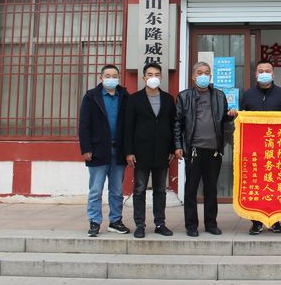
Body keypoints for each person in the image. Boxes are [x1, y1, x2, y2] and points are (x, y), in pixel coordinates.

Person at [174, 61, 233, 237]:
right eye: (199, 73)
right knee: (191, 189)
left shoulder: (219, 96)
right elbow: (177, 123)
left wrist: (230, 116)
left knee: (211, 189)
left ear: (210, 76)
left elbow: (223, 120)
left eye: (207, 73)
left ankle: (211, 224)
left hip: (214, 150)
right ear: (193, 76)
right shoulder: (184, 96)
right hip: (193, 149)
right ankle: (191, 225)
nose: (203, 76)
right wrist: (178, 145)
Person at [235, 59, 281, 235]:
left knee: (276, 183)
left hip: (276, 149)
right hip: (253, 149)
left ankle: (276, 221)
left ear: (273, 74)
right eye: (261, 71)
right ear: (256, 74)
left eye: (268, 71)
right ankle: (256, 222)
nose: (264, 73)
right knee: (255, 184)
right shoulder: (248, 95)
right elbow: (241, 118)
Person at [124, 62, 176, 239]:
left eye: (157, 74)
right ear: (144, 78)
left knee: (160, 190)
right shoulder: (134, 99)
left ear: (161, 77)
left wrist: (172, 148)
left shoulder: (168, 99)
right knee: (139, 189)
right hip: (140, 152)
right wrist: (129, 151)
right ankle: (140, 225)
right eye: (150, 74)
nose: (153, 78)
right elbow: (128, 127)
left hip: (162, 152)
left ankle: (160, 223)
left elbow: (172, 125)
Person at [78, 64, 130, 237]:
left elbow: (130, 124)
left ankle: (115, 221)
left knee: (117, 191)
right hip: (98, 150)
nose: (111, 79)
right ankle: (94, 221)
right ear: (101, 78)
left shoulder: (124, 96)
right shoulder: (91, 97)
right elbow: (84, 125)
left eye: (114, 76)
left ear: (118, 78)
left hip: (119, 150)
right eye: (107, 76)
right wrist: (86, 148)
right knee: (96, 189)